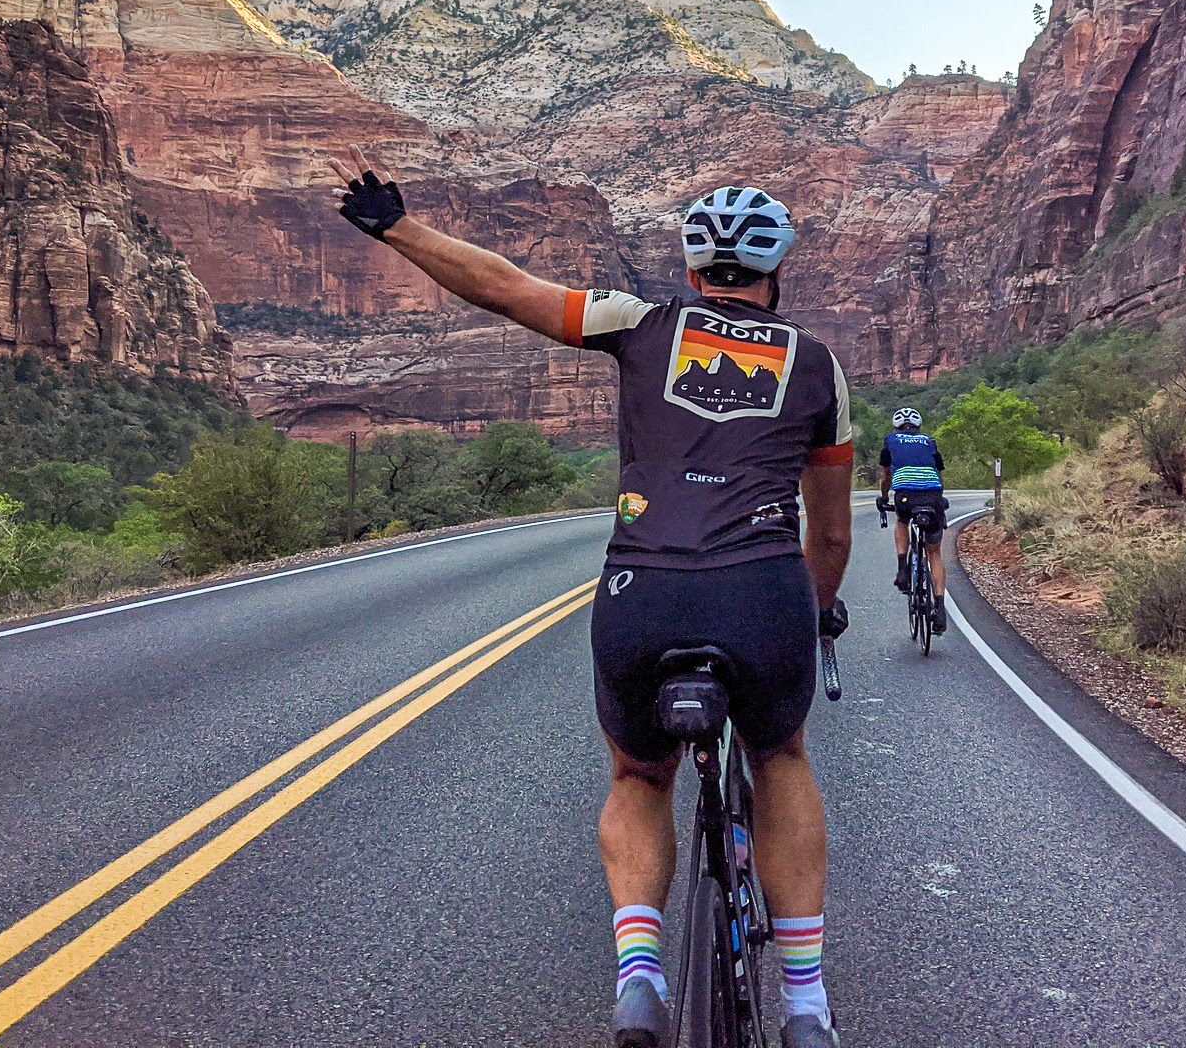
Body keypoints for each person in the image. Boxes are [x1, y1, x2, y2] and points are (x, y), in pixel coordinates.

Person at [331, 153, 851, 1048]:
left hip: (639, 590)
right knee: (781, 759)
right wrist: (813, 609)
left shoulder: (639, 323)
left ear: (692, 271)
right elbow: (833, 534)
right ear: (776, 272)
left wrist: (397, 226)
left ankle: (641, 971)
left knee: (637, 773)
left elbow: (505, 287)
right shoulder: (818, 366)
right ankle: (804, 1000)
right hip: (761, 590)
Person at [878, 407, 948, 633]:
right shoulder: (930, 441)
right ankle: (940, 608)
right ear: (918, 427)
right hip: (933, 496)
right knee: (934, 553)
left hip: (905, 495)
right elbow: (938, 473)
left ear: (896, 427)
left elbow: (886, 475)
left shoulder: (891, 440)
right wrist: (938, 499)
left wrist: (884, 497)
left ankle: (902, 570)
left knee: (901, 521)